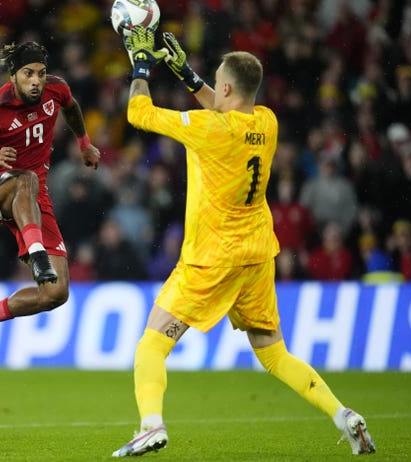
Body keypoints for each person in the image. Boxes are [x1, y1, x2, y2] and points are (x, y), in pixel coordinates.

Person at [111, 27, 375, 457]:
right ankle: (343, 415)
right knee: (274, 354)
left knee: (152, 344)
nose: (214, 87)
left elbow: (138, 113)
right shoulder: (266, 121)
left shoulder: (208, 129)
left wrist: (141, 63)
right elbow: (224, 107)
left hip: (211, 257)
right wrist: (187, 74)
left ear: (228, 86)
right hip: (256, 253)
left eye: (218, 80)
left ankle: (150, 425)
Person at [0, 41, 100, 359]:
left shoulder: (57, 90)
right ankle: (37, 253)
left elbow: (71, 107)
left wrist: (85, 143)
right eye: (28, 74)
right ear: (14, 76)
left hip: (33, 198)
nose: (36, 81)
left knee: (56, 292)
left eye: (41, 74)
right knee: (27, 178)